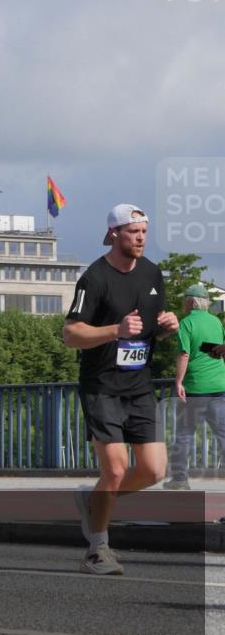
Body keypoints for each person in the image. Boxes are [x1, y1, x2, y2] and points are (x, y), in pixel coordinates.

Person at [63, 204, 179, 575]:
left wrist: (166, 326)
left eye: (144, 231)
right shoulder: (95, 278)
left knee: (154, 471)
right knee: (115, 470)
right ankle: (97, 550)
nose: (140, 238)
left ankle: (94, 499)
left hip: (139, 386)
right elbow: (71, 334)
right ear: (114, 234)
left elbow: (149, 328)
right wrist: (115, 330)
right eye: (133, 232)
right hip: (102, 387)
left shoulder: (152, 273)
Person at [165, 284, 225, 489]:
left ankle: (180, 480)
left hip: (195, 389)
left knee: (184, 434)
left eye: (185, 300)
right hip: (219, 386)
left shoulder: (186, 323)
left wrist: (178, 382)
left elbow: (184, 354)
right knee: (223, 434)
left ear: (191, 302)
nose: (184, 303)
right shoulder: (216, 321)